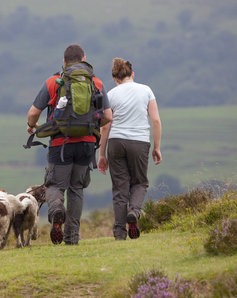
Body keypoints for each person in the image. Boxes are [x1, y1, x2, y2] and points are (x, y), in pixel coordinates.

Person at [26, 44, 113, 245]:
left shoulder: (53, 81)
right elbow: (108, 117)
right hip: (86, 145)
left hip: (60, 143)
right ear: (84, 59)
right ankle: (72, 237)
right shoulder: (96, 82)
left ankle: (56, 211)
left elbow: (33, 113)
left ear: (64, 62)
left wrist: (32, 126)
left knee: (54, 184)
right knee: (77, 189)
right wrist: (89, 125)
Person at [97, 58, 162, 240]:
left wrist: (102, 154)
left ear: (115, 78)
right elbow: (155, 120)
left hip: (116, 142)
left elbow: (105, 127)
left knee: (120, 188)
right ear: (132, 74)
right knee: (140, 183)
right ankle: (133, 211)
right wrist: (156, 147)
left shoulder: (110, 94)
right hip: (140, 142)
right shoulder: (146, 90)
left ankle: (119, 233)